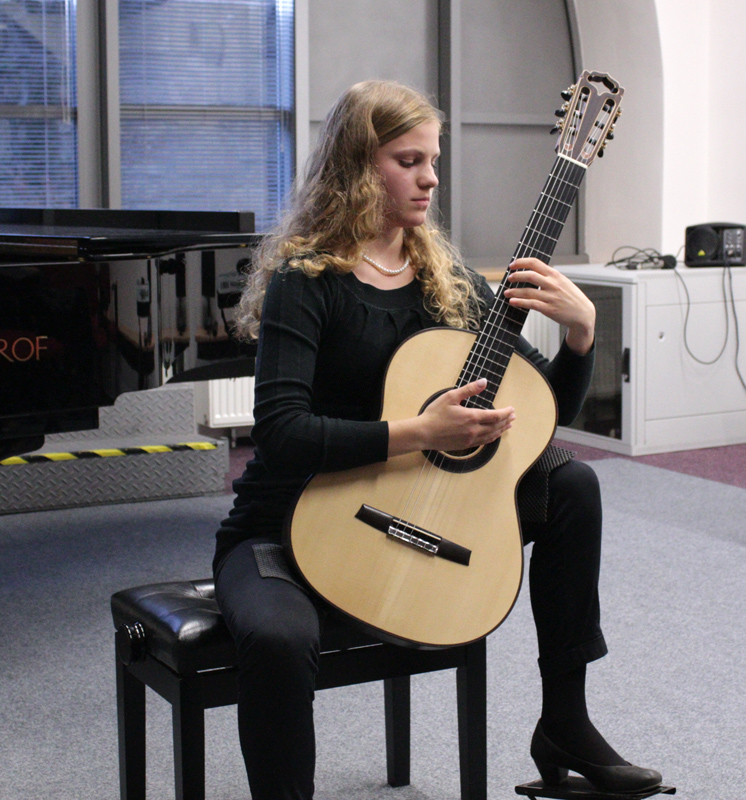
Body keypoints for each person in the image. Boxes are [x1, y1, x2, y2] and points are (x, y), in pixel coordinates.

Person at [213, 79, 662, 799]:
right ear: (358, 167)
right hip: (287, 524)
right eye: (409, 161)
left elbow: (539, 414)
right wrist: (419, 432)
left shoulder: (445, 279)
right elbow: (282, 432)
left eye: (433, 161)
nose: (430, 179)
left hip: (408, 504)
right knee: (276, 639)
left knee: (572, 483)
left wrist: (583, 336)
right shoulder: (308, 279)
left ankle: (565, 720)